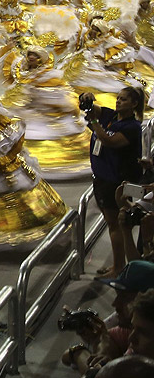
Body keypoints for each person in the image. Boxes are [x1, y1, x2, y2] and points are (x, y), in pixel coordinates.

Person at [80, 87, 144, 277]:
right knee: (116, 224)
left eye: (123, 100)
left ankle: (118, 269)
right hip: (103, 178)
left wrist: (93, 123)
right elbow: (93, 110)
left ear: (134, 104)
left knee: (116, 225)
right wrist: (86, 99)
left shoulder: (132, 127)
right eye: (117, 98)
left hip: (115, 182)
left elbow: (110, 141)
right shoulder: (112, 116)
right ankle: (120, 265)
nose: (118, 102)